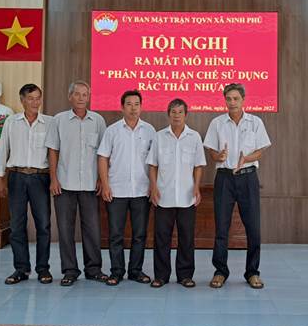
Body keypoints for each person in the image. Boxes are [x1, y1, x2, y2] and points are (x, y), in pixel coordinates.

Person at [203, 83, 271, 289]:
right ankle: (220, 271)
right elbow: (212, 152)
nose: (232, 102)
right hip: (224, 179)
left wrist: (247, 158)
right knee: (221, 228)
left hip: (248, 178)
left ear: (243, 100)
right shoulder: (217, 123)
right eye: (228, 99)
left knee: (253, 228)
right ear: (225, 100)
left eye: (236, 99)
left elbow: (260, 151)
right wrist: (219, 156)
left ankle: (252, 272)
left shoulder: (255, 122)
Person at [45, 81, 109, 286]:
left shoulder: (98, 121)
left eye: (85, 94)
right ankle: (70, 270)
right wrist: (53, 179)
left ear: (89, 97)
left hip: (90, 185)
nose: (81, 98)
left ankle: (94, 269)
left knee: (92, 229)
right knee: (65, 230)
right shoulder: (59, 120)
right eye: (77, 94)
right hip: (64, 184)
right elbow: (53, 150)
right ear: (70, 96)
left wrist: (102, 179)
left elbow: (103, 153)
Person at [0, 83, 53, 285]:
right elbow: (3, 149)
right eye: (30, 98)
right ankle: (21, 269)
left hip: (40, 178)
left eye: (38, 98)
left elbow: (54, 154)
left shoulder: (49, 123)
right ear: (22, 100)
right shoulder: (12, 122)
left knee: (43, 225)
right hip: (16, 177)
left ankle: (43, 269)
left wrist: (55, 178)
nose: (35, 102)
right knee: (17, 225)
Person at [97, 90, 156, 286]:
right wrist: (105, 184)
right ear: (122, 107)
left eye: (136, 104)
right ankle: (116, 271)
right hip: (117, 190)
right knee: (116, 235)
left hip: (142, 190)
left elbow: (154, 162)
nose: (133, 108)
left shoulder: (149, 131)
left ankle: (135, 271)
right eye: (129, 104)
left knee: (140, 235)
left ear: (141, 107)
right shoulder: (112, 131)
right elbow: (103, 158)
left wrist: (153, 185)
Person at [147, 98, 206, 289]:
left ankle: (185, 276)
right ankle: (161, 276)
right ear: (168, 114)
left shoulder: (194, 137)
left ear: (186, 115)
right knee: (161, 239)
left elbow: (198, 166)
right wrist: (153, 187)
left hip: (187, 197)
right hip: (163, 197)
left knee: (186, 238)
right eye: (173, 112)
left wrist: (196, 187)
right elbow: (153, 165)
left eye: (180, 112)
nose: (177, 115)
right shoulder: (159, 136)